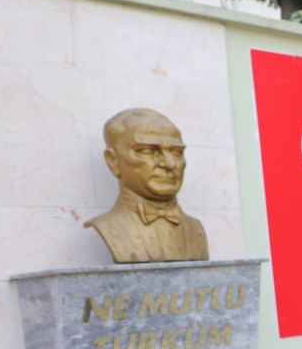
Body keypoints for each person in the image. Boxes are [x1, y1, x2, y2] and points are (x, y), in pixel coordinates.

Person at [84, 108, 209, 263]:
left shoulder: (196, 229)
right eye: (147, 151)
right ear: (113, 161)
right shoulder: (107, 227)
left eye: (176, 152)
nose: (169, 164)